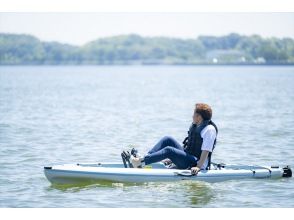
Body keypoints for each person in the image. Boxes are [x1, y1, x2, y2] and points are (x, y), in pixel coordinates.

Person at [130, 103, 218, 175]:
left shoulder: (209, 130)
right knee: (167, 139)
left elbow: (206, 150)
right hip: (189, 156)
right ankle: (145, 158)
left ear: (199, 117)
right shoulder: (197, 125)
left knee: (169, 150)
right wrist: (176, 157)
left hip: (195, 163)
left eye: (194, 114)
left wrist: (198, 167)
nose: (192, 116)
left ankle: (140, 162)